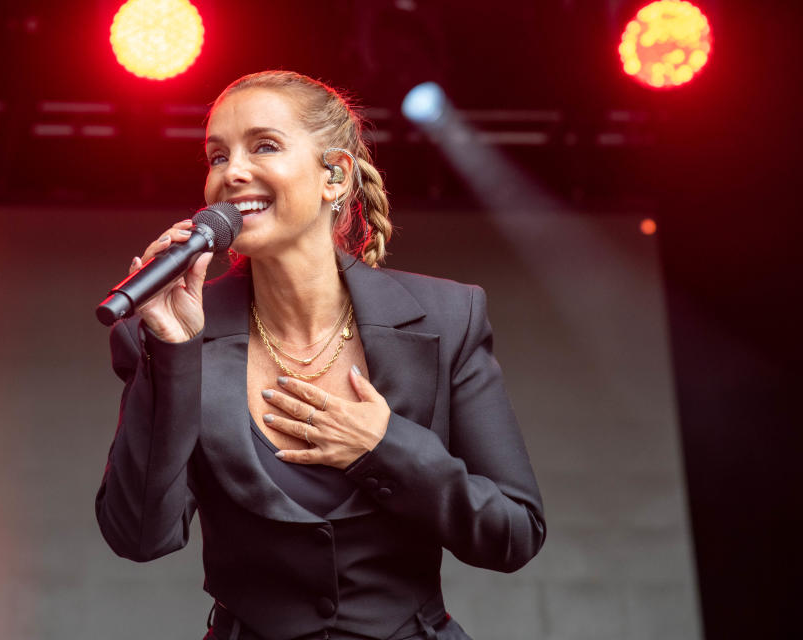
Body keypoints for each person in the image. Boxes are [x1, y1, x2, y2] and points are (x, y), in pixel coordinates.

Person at [95, 70, 546, 640]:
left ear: (335, 175)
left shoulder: (447, 317)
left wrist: (383, 450)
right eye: (216, 156)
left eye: (264, 146)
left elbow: (513, 534)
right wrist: (173, 350)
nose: (231, 172)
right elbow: (139, 538)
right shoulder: (167, 340)